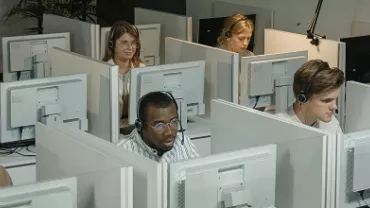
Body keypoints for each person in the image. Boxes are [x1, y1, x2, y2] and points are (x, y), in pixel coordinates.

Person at [116, 91, 200, 163]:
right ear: (140, 126)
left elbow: (199, 179)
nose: (169, 132)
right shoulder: (122, 152)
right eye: (159, 125)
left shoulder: (183, 143)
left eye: (173, 122)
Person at [276, 59, 345, 134]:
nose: (334, 107)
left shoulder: (331, 125)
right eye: (326, 100)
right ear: (302, 98)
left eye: (335, 99)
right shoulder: (279, 128)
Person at [102, 21, 145, 125]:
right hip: (110, 126)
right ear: (112, 44)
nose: (130, 47)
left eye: (133, 42)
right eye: (124, 42)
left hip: (135, 125)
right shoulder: (103, 71)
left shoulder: (142, 70)